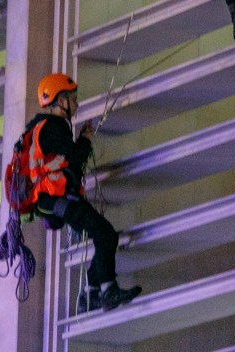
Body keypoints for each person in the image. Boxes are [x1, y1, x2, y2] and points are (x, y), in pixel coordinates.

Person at [28, 73, 142, 313]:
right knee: (105, 234)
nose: (77, 103)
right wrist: (86, 140)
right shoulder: (52, 127)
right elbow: (74, 159)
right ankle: (106, 290)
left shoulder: (47, 127)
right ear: (60, 100)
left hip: (57, 199)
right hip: (57, 199)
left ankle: (90, 294)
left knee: (103, 234)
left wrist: (80, 139)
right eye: (73, 98)